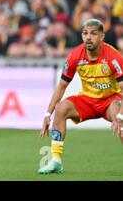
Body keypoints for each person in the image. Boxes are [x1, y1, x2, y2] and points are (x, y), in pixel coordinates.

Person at [38, 18, 123, 174]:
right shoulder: (75, 55)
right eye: (85, 33)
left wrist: (121, 116)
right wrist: (48, 113)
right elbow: (61, 86)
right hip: (88, 100)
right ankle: (55, 161)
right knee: (61, 108)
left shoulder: (113, 57)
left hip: (110, 100)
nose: (88, 37)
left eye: (93, 34)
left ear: (102, 37)